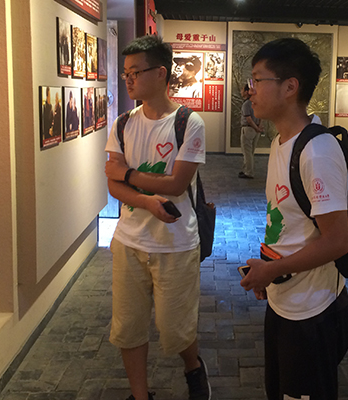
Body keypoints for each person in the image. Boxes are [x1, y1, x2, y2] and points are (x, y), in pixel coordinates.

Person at [239, 38, 348, 400]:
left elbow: (337, 241)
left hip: (312, 310)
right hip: (285, 299)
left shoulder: (317, 152)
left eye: (258, 80)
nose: (251, 90)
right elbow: (289, 224)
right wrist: (268, 271)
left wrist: (272, 270)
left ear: (290, 87)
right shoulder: (281, 142)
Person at [104, 35, 210, 400]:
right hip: (128, 241)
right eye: (126, 73)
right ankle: (140, 395)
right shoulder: (122, 124)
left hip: (176, 243)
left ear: (161, 73)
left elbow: (177, 184)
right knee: (128, 327)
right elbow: (112, 185)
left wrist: (128, 174)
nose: (128, 79)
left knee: (175, 327)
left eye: (135, 72)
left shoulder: (188, 123)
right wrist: (147, 201)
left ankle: (193, 366)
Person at [239, 83, 264, 179]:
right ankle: (246, 169)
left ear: (247, 92)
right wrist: (259, 127)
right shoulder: (257, 102)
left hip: (248, 129)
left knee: (247, 152)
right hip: (255, 130)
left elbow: (248, 119)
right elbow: (260, 116)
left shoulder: (246, 104)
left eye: (242, 90)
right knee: (250, 152)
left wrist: (256, 128)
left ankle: (248, 172)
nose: (241, 92)